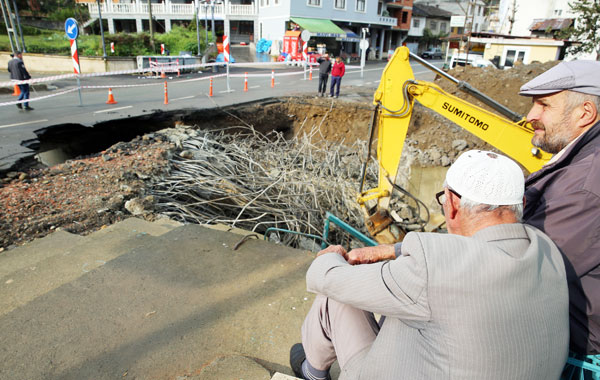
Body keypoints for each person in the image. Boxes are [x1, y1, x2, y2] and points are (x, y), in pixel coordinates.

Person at [290, 150, 569, 380]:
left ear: (451, 203)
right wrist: (393, 249)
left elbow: (323, 277)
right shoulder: (547, 250)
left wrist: (332, 255)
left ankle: (312, 372)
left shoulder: (435, 268)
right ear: (518, 203)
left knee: (337, 293)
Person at [519, 60, 600, 355]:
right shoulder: (583, 161)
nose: (530, 116)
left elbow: (523, 266)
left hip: (576, 341)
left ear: (585, 113)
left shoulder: (585, 186)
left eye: (544, 105)